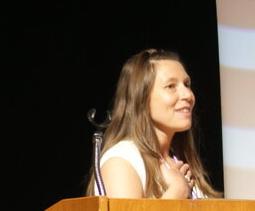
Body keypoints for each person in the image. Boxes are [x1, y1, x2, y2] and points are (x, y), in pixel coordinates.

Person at [88, 48, 220, 199]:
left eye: (187, 84)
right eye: (171, 86)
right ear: (141, 98)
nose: (188, 95)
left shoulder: (178, 161)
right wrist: (177, 191)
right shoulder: (121, 161)